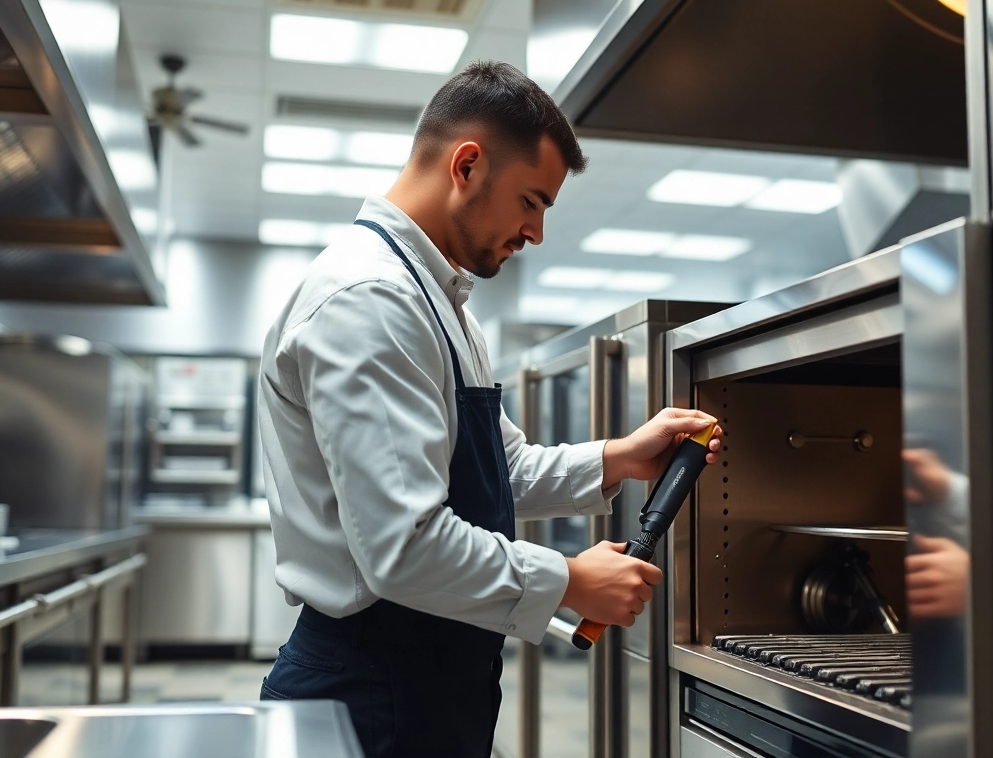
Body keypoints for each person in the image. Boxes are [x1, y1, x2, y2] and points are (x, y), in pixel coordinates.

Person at [256, 61, 722, 757]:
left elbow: (499, 469)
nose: (535, 233)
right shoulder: (372, 299)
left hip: (429, 676)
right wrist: (568, 580)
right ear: (467, 164)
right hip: (372, 687)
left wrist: (620, 458)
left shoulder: (439, 303)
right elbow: (403, 546)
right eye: (531, 201)